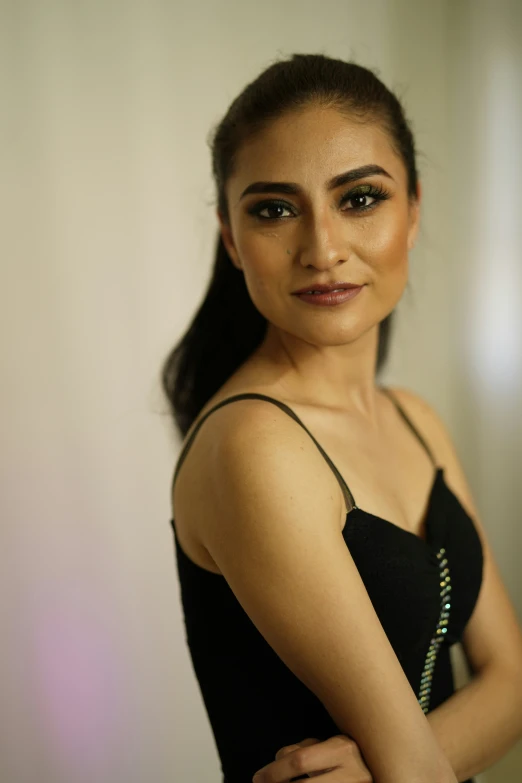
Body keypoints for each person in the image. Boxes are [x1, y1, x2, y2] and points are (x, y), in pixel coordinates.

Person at [161, 54, 522, 783]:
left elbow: (514, 682)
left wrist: (378, 767)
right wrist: (404, 762)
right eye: (274, 208)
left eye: (359, 198)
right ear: (232, 239)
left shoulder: (414, 418)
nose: (323, 250)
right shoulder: (254, 445)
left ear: (413, 209)